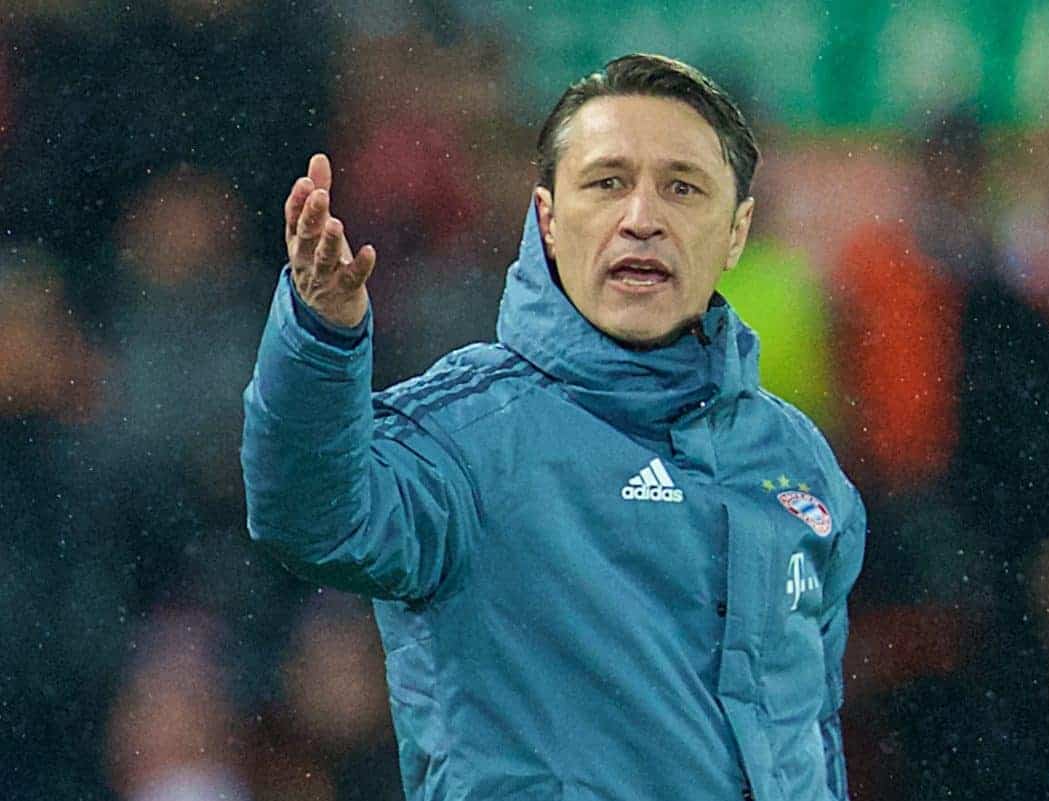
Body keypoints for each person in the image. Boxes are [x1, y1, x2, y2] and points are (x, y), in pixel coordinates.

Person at [242, 53, 866, 801]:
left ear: (736, 233)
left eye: (682, 188)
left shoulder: (799, 463)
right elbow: (311, 517)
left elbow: (811, 735)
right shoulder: (466, 439)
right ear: (546, 218)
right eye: (607, 183)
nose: (642, 218)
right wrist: (320, 339)